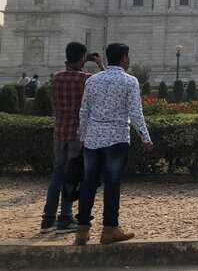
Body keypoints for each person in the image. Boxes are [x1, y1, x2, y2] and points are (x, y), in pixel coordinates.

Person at [75, 43, 153, 245]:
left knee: (88, 183)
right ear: (124, 58)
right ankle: (110, 229)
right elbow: (136, 112)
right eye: (128, 57)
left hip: (93, 139)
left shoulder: (93, 80)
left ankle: (82, 230)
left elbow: (84, 110)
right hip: (117, 139)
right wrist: (145, 137)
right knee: (112, 184)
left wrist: (82, 134)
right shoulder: (130, 81)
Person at [39, 43, 102, 234]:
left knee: (57, 175)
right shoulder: (87, 79)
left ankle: (47, 220)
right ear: (82, 58)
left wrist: (83, 61)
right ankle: (65, 219)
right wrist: (99, 63)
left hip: (60, 133)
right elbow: (109, 81)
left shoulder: (57, 78)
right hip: (77, 135)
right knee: (71, 176)